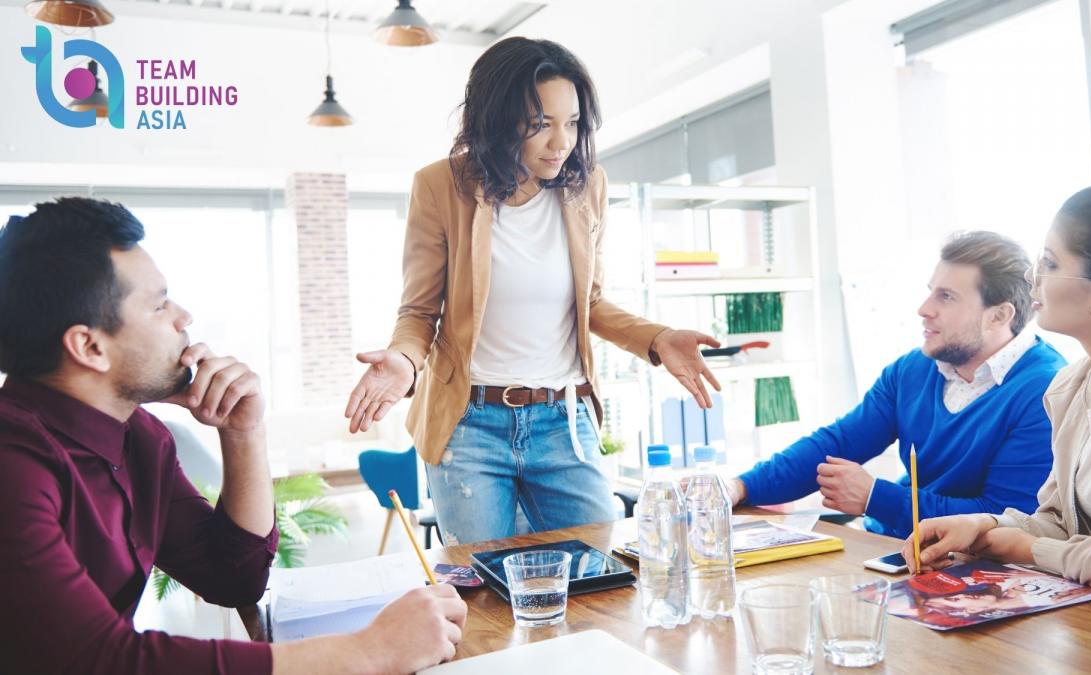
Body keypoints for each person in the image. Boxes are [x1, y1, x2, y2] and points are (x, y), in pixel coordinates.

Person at [0, 198, 467, 674]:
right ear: (89, 346)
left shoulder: (139, 436)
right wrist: (369, 652)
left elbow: (232, 579)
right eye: (160, 304)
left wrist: (243, 432)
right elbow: (100, 661)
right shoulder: (13, 465)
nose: (183, 317)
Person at [344, 37, 721, 545]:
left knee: (594, 573)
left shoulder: (589, 186)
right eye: (541, 124)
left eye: (572, 123)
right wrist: (405, 361)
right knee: (485, 593)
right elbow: (419, 310)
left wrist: (657, 338)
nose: (560, 142)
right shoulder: (441, 186)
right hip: (469, 424)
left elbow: (588, 303)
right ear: (498, 120)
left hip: (562, 420)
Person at [904, 185, 1091, 605]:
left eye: (1050, 262)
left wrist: (1032, 550)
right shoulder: (1071, 388)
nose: (1032, 277)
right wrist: (983, 524)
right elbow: (1063, 521)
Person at [725, 231, 1066, 538]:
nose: (924, 309)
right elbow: (837, 444)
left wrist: (876, 497)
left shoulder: (1045, 389)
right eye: (930, 292)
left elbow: (1006, 520)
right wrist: (740, 487)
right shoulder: (912, 369)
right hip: (894, 546)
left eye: (946, 297)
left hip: (982, 573)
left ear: (999, 316)